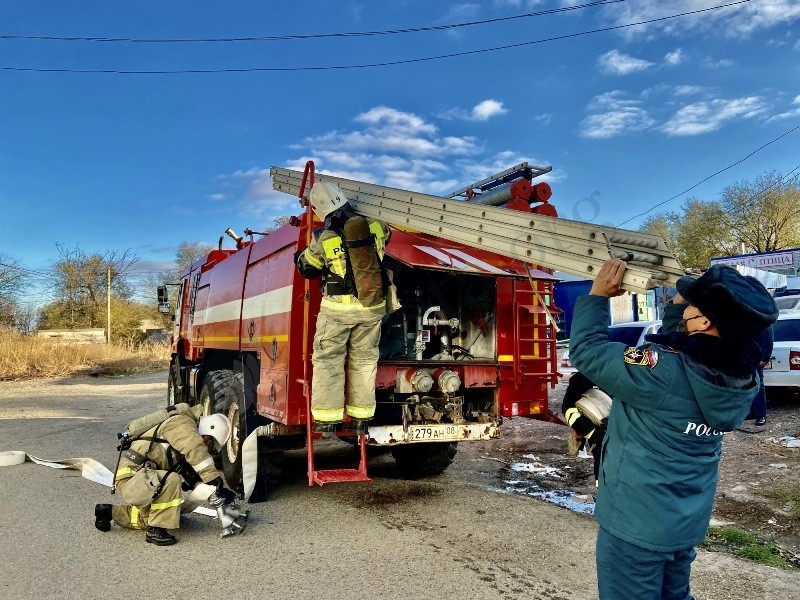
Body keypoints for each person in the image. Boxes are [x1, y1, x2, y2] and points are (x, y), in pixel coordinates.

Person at [569, 261, 778, 600]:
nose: (687, 308)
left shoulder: (659, 372)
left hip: (636, 526)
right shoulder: (741, 378)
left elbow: (587, 351)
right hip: (682, 522)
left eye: (694, 305)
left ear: (706, 321)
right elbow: (682, 349)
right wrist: (681, 305)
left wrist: (596, 297)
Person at [295, 181, 391, 434]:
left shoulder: (324, 238)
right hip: (372, 308)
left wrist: (302, 256)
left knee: (329, 361)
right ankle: (362, 418)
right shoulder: (376, 226)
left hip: (337, 312)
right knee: (365, 361)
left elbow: (307, 268)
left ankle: (328, 419)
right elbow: (387, 241)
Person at [94, 406, 235, 546]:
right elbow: (194, 448)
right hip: (131, 479)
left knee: (151, 518)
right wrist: (213, 477)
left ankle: (107, 512)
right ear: (209, 427)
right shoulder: (181, 423)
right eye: (209, 439)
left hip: (143, 479)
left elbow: (191, 473)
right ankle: (155, 530)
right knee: (172, 480)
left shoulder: (180, 436)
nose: (207, 444)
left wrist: (215, 491)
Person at [561, 371, 606, 486]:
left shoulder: (613, 378)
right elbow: (569, 409)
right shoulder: (578, 380)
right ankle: (603, 495)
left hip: (615, 425)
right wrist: (588, 430)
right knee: (602, 456)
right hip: (595, 429)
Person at [750, 325, 774, 426]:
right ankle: (752, 412)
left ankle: (761, 415)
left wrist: (765, 358)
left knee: (758, 385)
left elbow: (768, 340)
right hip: (746, 357)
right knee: (747, 386)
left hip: (757, 358)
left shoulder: (763, 318)